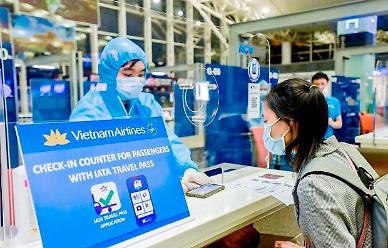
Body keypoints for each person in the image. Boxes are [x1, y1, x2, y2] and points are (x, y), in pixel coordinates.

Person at [70, 37, 212, 192]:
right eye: (128, 74)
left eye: (140, 75)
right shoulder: (89, 110)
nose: (136, 81)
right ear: (109, 73)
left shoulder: (146, 104)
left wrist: (186, 169)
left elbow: (168, 142)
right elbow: (87, 165)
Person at [263, 79, 372, 247]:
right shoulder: (343, 151)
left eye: (267, 121)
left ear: (290, 122)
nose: (266, 130)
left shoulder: (312, 186)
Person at [311, 72, 342, 140]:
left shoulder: (334, 101)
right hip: (311, 140)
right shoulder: (308, 101)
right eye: (316, 84)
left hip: (328, 140)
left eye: (322, 84)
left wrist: (331, 123)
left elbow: (339, 124)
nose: (320, 87)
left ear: (327, 84)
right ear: (312, 85)